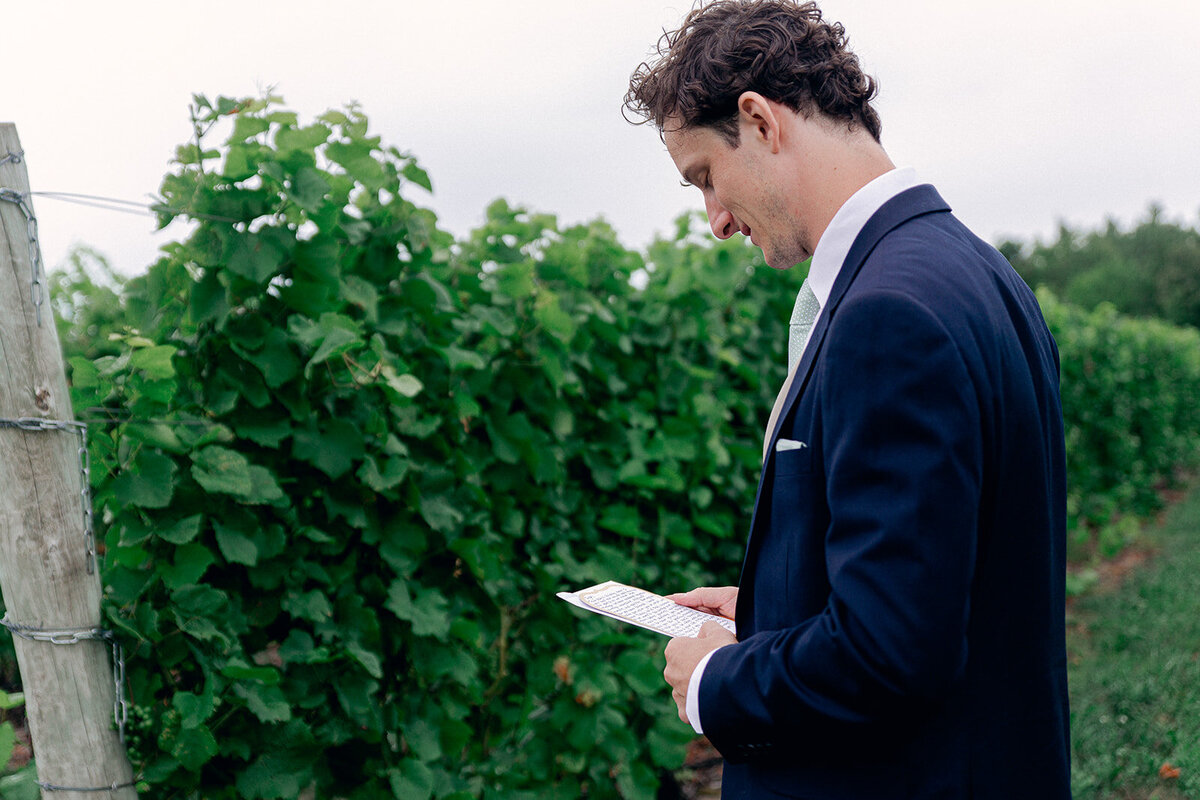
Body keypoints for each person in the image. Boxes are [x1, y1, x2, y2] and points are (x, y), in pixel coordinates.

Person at [623, 2, 1072, 798]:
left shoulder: (886, 316)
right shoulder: (979, 274)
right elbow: (942, 583)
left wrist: (716, 680)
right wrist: (773, 607)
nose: (715, 219)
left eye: (704, 179)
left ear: (759, 122)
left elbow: (889, 656)